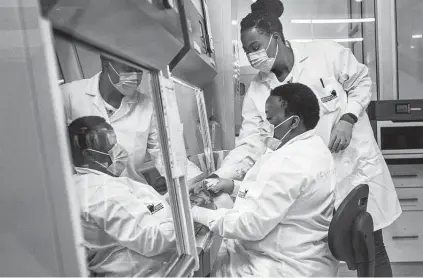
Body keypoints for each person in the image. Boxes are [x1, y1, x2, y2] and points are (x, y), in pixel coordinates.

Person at [209, 1, 401, 276]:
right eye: (247, 51)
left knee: (371, 248)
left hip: (354, 169)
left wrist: (348, 118)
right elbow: (250, 142)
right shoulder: (258, 90)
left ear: (275, 38)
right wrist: (220, 176)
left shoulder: (324, 54)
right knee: (327, 253)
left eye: (255, 47)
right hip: (315, 186)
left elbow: (362, 82)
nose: (252, 57)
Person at [192, 83, 338, 277]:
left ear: (294, 122)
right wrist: (232, 186)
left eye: (269, 119)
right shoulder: (314, 147)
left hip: (284, 266)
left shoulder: (290, 162)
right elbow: (274, 194)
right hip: (304, 254)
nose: (264, 126)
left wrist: (192, 212)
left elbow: (250, 227)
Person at [61, 55, 202, 192]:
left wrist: (198, 182)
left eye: (139, 70)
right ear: (106, 62)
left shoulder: (148, 106)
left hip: (135, 195)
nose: (135, 76)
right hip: (88, 199)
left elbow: (168, 156)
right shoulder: (67, 96)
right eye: (128, 69)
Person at [68, 116, 177, 277]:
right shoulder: (103, 192)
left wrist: (167, 202)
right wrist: (183, 217)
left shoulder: (84, 184)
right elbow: (152, 239)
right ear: (90, 156)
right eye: (110, 146)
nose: (119, 150)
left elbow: (137, 214)